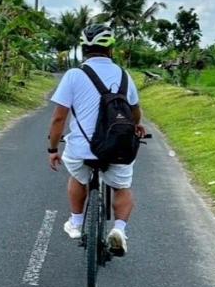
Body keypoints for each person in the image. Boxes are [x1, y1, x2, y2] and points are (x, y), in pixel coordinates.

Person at [47, 24, 145, 255]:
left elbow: (59, 118)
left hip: (82, 150)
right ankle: (119, 229)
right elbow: (134, 111)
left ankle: (77, 222)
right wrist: (137, 125)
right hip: (117, 148)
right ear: (111, 49)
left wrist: (52, 148)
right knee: (122, 187)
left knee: (78, 178)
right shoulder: (124, 75)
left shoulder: (74, 75)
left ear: (84, 49)